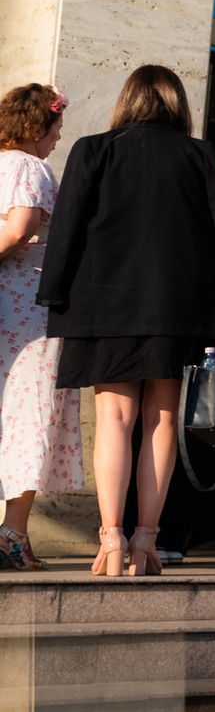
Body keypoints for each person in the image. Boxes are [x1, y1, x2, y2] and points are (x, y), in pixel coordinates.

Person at [38, 65, 215, 578]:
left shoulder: (92, 149)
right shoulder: (200, 155)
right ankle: (147, 539)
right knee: (163, 420)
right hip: (180, 309)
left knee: (114, 418)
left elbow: (66, 229)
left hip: (104, 305)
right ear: (177, 104)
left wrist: (53, 296)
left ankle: (111, 540)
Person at [0, 84, 80, 570]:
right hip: (27, 307)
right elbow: (20, 227)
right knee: (30, 413)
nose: (57, 139)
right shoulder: (30, 167)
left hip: (7, 305)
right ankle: (13, 532)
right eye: (55, 129)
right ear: (35, 127)